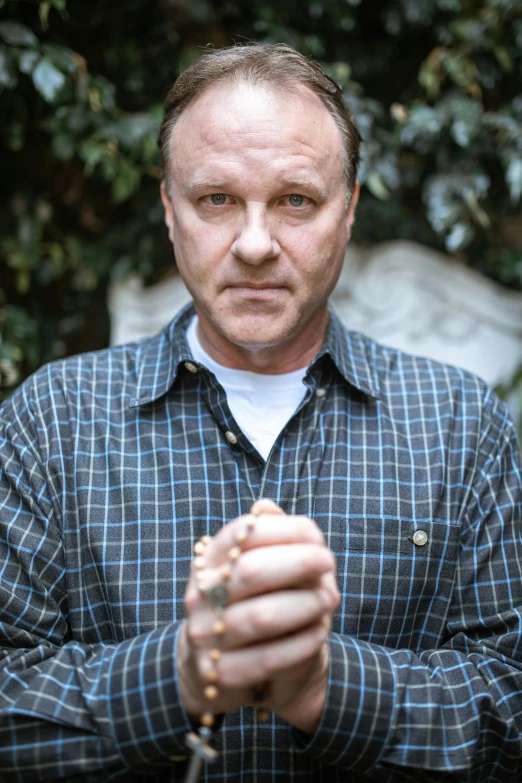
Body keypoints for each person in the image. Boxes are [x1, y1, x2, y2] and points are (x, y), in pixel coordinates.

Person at [0, 43, 521, 783]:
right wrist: (179, 673)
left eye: (295, 201)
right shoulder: (49, 421)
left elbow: (510, 710)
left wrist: (323, 688)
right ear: (170, 212)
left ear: (348, 213)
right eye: (216, 199)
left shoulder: (461, 425)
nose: (253, 245)